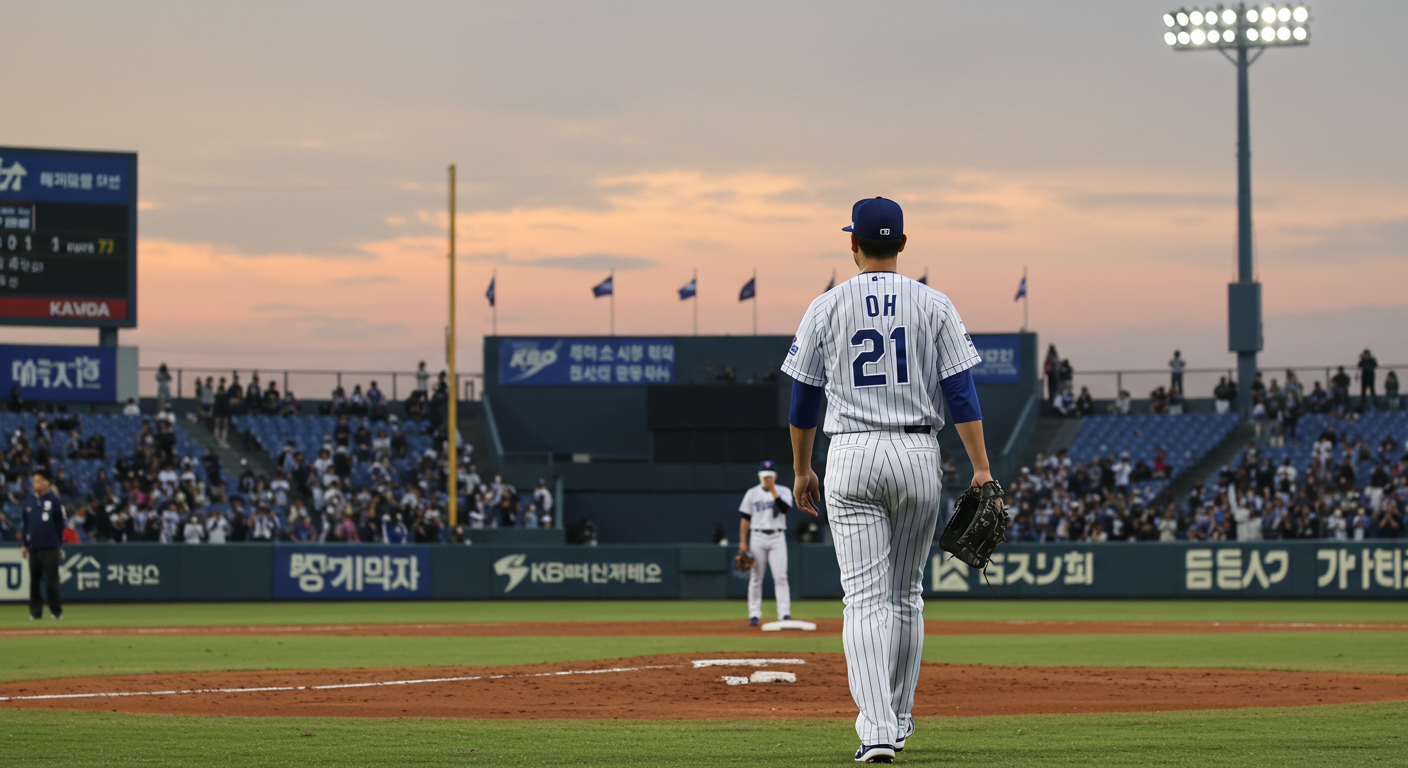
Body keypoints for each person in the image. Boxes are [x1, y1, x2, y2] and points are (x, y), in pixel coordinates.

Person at [782, 196, 992, 763]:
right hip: (917, 452)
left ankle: (875, 730)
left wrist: (801, 469)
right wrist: (981, 468)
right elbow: (960, 393)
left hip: (851, 451)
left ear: (853, 243)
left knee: (863, 600)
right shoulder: (934, 304)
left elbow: (802, 401)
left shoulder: (826, 306)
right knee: (906, 595)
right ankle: (896, 720)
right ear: (902, 244)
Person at [737, 460, 795, 626]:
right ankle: (754, 614)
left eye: (769, 476)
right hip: (757, 537)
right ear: (759, 476)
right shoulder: (752, 493)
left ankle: (784, 613)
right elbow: (745, 518)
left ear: (775, 476)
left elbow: (784, 509)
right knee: (756, 577)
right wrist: (743, 541)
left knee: (781, 577)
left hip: (777, 537)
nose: (767, 479)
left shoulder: (784, 491)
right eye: (764, 476)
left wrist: (773, 490)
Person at [21, 468, 66, 620]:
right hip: (34, 547)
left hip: (50, 547)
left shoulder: (55, 501)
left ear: (46, 483)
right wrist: (25, 544)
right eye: (34, 481)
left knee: (51, 581)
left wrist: (59, 545)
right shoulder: (30, 502)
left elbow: (60, 525)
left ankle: (56, 611)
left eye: (38, 481)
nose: (34, 484)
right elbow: (26, 525)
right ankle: (35, 613)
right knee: (34, 583)